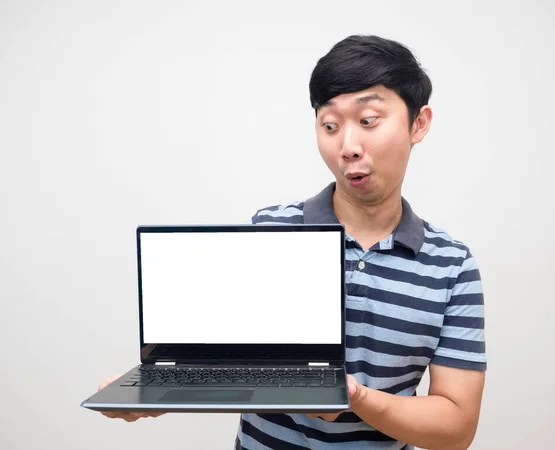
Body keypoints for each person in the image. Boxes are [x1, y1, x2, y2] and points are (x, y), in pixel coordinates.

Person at [98, 34, 487, 450]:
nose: (348, 147)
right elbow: (223, 358)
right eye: (330, 126)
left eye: (369, 120)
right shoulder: (270, 229)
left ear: (419, 123)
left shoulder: (451, 266)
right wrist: (164, 390)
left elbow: (456, 426)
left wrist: (354, 398)